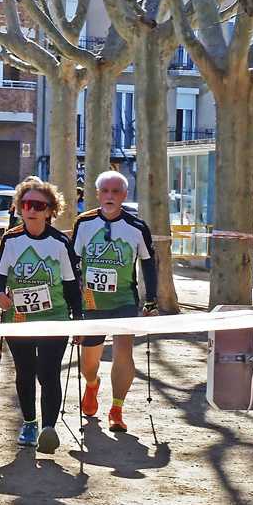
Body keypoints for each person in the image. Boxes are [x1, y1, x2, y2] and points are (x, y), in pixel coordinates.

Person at [0, 177, 82, 454]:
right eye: (27, 204)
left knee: (48, 371)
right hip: (19, 318)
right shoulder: (10, 239)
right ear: (19, 207)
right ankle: (30, 423)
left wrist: (79, 321)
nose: (32, 210)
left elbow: (72, 286)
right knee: (25, 371)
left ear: (50, 210)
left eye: (39, 206)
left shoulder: (60, 242)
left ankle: (48, 429)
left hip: (54, 317)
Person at [71, 170, 159, 432]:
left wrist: (151, 300)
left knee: (123, 353)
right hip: (91, 302)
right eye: (105, 191)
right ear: (97, 194)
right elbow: (72, 262)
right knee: (89, 363)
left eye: (115, 192)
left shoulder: (137, 227)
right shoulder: (84, 222)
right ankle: (92, 385)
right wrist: (73, 298)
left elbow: (148, 264)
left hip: (124, 300)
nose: (110, 196)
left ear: (124, 195)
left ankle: (117, 409)